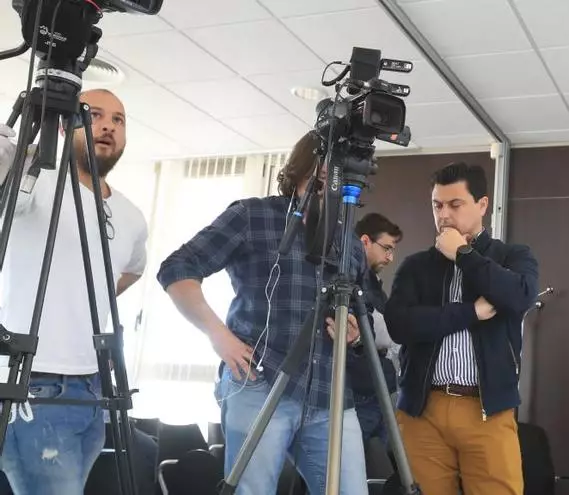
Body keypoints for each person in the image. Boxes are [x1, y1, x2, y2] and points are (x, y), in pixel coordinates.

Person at [156, 131, 369, 495]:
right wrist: (218, 336)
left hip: (329, 393)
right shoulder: (252, 216)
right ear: (301, 171)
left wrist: (354, 333)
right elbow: (177, 268)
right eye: (319, 181)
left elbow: (362, 316)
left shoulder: (349, 242)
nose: (326, 192)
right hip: (259, 379)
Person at [0, 89, 149, 494]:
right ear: (66, 126)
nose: (107, 126)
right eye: (94, 115)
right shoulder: (33, 182)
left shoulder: (132, 216)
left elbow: (132, 271)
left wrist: (81, 298)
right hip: (34, 381)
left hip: (92, 386)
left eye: (118, 119)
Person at [385, 162, 539, 495]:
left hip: (487, 408)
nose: (443, 215)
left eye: (455, 205)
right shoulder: (415, 266)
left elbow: (520, 296)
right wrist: (470, 312)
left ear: (482, 205)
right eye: (437, 205)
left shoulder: (512, 257)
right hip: (422, 409)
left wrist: (463, 254)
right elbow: (400, 324)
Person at [348, 212, 402, 448]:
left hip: (381, 391)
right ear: (365, 241)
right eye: (386, 248)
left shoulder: (374, 285)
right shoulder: (349, 282)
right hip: (357, 394)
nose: (390, 258)